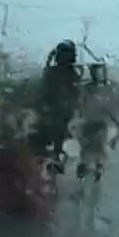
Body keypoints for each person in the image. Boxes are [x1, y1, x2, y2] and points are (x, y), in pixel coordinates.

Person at [30, 40, 83, 174]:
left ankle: (53, 160)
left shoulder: (70, 74)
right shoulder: (59, 73)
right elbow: (43, 92)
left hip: (60, 115)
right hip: (52, 113)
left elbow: (75, 96)